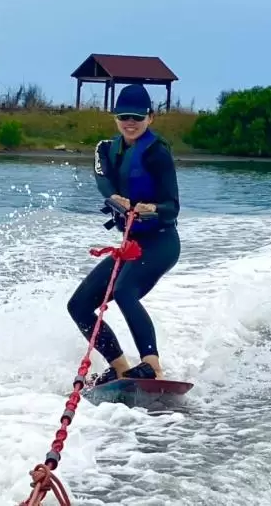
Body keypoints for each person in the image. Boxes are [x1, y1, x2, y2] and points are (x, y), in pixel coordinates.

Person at [67, 83, 181, 385]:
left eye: (137, 117)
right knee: (78, 306)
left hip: (161, 242)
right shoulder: (105, 148)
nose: (130, 123)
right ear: (115, 117)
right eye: (123, 117)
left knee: (123, 290)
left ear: (150, 118)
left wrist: (152, 209)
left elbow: (173, 207)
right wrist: (113, 198)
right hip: (131, 245)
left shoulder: (158, 154)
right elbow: (103, 180)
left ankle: (153, 367)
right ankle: (120, 368)